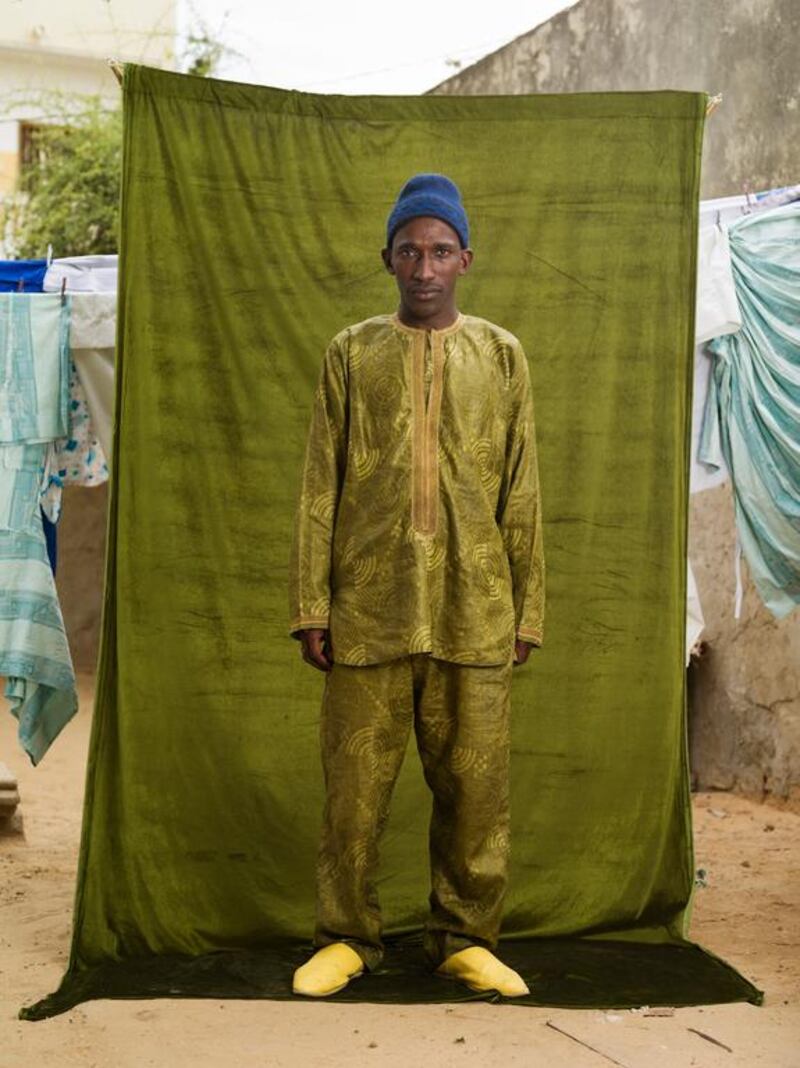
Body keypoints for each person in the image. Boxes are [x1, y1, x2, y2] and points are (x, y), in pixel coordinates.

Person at [288, 173, 544, 998]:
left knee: (476, 789)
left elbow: (523, 487)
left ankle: (465, 938)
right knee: (354, 793)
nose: (424, 267)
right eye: (409, 251)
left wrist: (526, 607)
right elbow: (319, 486)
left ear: (465, 258)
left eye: (440, 251)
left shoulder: (501, 355)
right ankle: (347, 938)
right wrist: (312, 606)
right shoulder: (351, 353)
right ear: (388, 259)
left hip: (477, 607)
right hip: (370, 607)